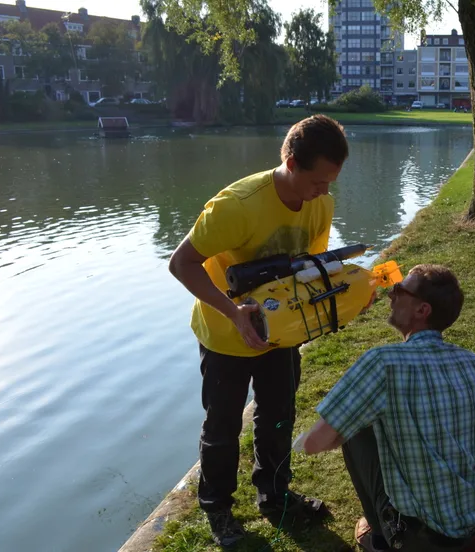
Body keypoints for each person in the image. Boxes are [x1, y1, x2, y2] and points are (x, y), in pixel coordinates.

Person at [168, 115, 349, 546]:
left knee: (279, 416)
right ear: (290, 161)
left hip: (279, 334)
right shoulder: (238, 205)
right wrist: (233, 312)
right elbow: (180, 263)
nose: (324, 192)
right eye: (318, 181)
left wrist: (338, 303)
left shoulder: (321, 202)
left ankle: (274, 495)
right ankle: (218, 510)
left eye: (331, 182)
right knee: (223, 425)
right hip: (224, 332)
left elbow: (306, 269)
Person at [299, 265, 475, 552]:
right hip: (472, 522)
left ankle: (381, 538)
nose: (390, 292)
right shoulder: (472, 361)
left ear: (422, 310)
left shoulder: (383, 362)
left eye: (400, 289)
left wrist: (340, 432)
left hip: (423, 539)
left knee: (354, 429)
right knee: (368, 420)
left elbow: (311, 444)